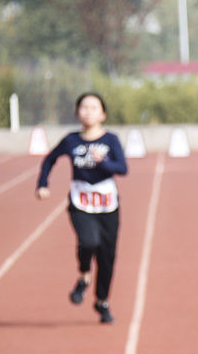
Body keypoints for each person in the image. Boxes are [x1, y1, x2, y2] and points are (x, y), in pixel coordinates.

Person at [35, 92, 128, 324]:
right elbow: (49, 159)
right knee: (88, 242)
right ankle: (84, 275)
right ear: (77, 113)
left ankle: (102, 302)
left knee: (107, 257)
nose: (88, 111)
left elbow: (123, 168)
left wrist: (102, 161)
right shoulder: (71, 141)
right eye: (84, 107)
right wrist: (42, 183)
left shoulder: (111, 140)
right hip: (81, 202)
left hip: (108, 205)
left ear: (103, 114)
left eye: (94, 107)